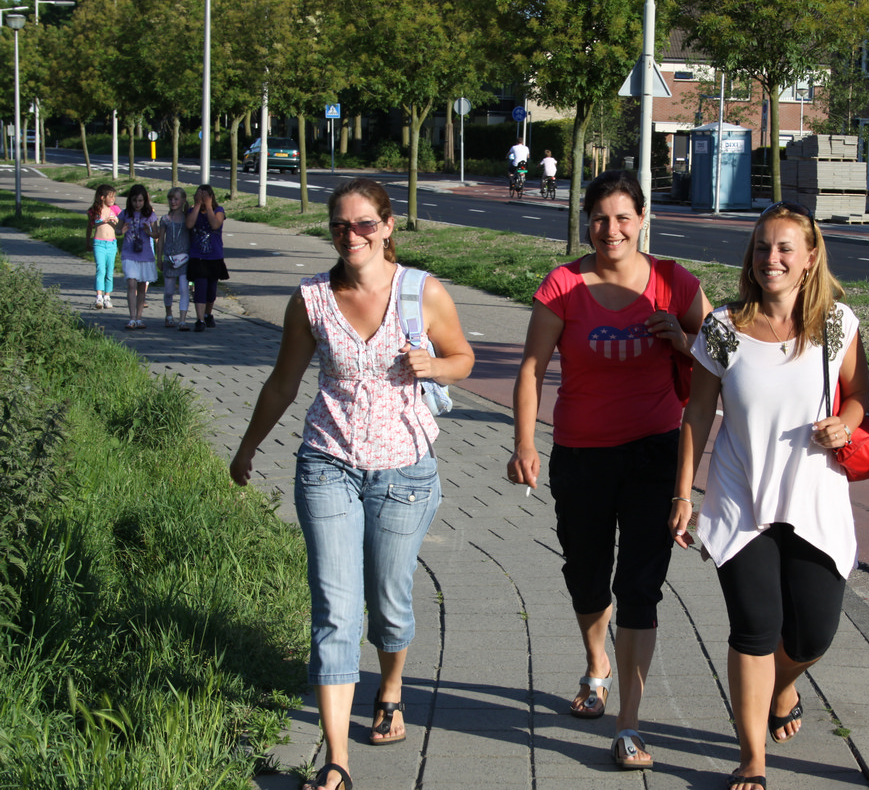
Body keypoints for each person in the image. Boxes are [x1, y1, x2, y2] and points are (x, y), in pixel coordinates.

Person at [230, 178, 474, 790]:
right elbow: (283, 383)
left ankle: (390, 687)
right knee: (335, 609)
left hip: (405, 471)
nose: (352, 235)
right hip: (327, 464)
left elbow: (463, 357)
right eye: (340, 225)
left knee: (389, 600)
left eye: (364, 223)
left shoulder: (421, 292)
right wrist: (248, 446)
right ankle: (336, 760)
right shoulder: (311, 299)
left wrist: (435, 364)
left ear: (387, 226)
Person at [507, 170, 711, 771]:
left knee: (640, 585)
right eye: (600, 218)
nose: (611, 229)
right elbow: (531, 368)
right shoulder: (564, 285)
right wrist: (525, 444)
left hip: (655, 454)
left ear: (643, 219)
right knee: (587, 573)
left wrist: (682, 341)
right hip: (582, 454)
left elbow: (721, 360)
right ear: (587, 222)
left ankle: (629, 723)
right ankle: (596, 666)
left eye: (623, 217)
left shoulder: (675, 282)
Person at [667, 202, 869, 790]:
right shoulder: (723, 327)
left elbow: (859, 395)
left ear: (810, 258)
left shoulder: (836, 323)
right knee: (754, 629)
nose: (771, 258)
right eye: (762, 246)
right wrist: (683, 494)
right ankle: (752, 758)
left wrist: (845, 425)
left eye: (784, 248)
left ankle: (783, 686)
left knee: (813, 634)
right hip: (742, 499)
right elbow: (698, 412)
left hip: (814, 498)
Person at [185, 184, 228, 333]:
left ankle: (208, 314)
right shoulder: (192, 211)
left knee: (211, 290)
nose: (202, 199)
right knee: (200, 288)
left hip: (214, 257)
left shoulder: (218, 210)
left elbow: (215, 224)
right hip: (198, 257)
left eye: (205, 196)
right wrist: (197, 205)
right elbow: (189, 224)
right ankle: (200, 319)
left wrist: (209, 206)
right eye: (199, 196)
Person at [116, 183, 157, 330]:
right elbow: (117, 230)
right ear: (130, 200)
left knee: (141, 286)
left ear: (145, 200)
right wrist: (121, 231)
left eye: (140, 200)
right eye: (134, 200)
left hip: (145, 254)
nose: (137, 204)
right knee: (131, 283)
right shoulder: (125, 213)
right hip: (129, 253)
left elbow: (156, 233)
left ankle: (139, 318)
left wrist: (150, 232)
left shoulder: (150, 215)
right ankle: (132, 318)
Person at [157, 187, 192, 330]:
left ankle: (182, 319)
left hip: (184, 259)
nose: (173, 202)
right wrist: (159, 258)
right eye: (171, 199)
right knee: (169, 291)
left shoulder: (187, 219)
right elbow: (160, 239)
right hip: (169, 259)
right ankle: (169, 314)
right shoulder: (165, 219)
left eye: (176, 199)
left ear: (183, 200)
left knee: (184, 289)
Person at [85, 184, 120, 310]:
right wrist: (87, 242)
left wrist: (116, 221)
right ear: (102, 197)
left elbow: (122, 225)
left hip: (111, 243)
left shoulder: (115, 209)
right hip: (99, 243)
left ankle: (107, 297)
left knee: (110, 271)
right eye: (110, 197)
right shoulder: (94, 211)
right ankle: (99, 297)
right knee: (101, 269)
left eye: (114, 197)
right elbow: (89, 227)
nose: (113, 199)